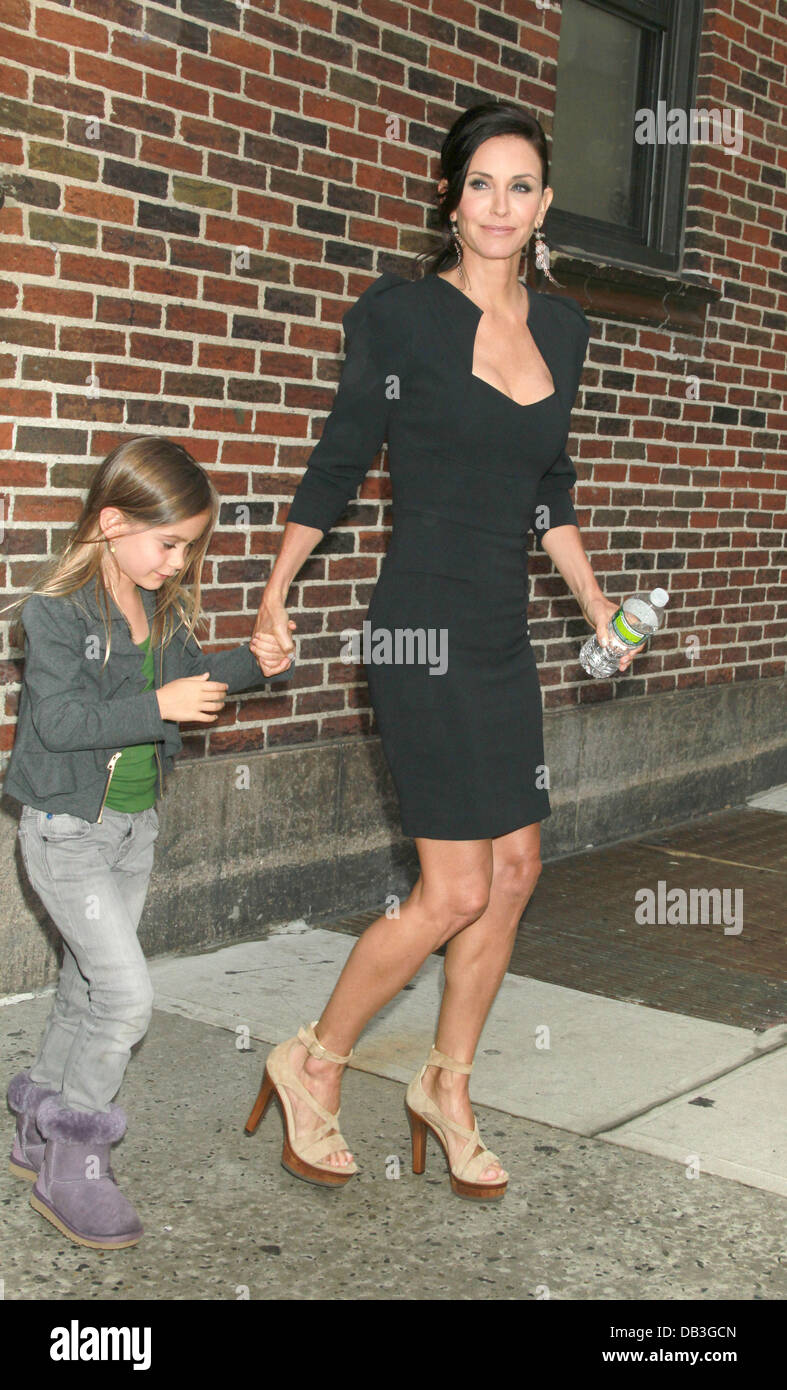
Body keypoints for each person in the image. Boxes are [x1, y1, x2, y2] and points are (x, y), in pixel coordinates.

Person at [245, 100, 643, 1200]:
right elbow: (335, 462)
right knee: (451, 890)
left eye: (521, 186)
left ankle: (446, 1085)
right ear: (449, 197)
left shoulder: (562, 329)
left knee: (515, 872)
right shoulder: (402, 317)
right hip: (419, 625)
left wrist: (597, 606)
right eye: (480, 185)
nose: (500, 206)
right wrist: (276, 594)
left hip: (502, 629)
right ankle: (311, 1060)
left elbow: (547, 488)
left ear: (546, 203)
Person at [3, 436, 291, 1249]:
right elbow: (57, 724)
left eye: (190, 546)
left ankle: (39, 1128)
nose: (179, 560)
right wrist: (158, 705)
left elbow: (194, 681)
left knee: (87, 988)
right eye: (170, 543)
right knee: (126, 998)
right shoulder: (55, 614)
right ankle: (76, 1167)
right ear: (111, 522)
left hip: (133, 831)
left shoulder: (158, 607)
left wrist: (256, 663)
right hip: (67, 832)